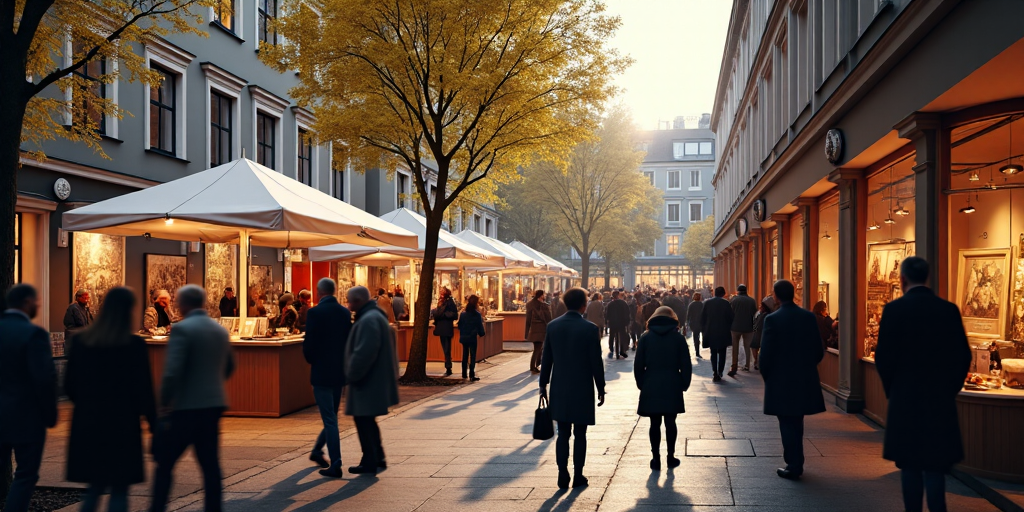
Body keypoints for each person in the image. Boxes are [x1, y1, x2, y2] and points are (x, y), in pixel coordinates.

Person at [875, 257, 971, 512]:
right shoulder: (948, 310)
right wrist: (949, 389)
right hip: (939, 401)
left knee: (910, 466)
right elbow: (963, 357)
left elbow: (883, 358)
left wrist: (893, 390)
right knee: (936, 467)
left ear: (902, 279)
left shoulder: (894, 310)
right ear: (928, 277)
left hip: (905, 400)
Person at [65, 287, 157, 512]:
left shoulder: (83, 343)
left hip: (89, 423)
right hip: (122, 425)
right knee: (119, 490)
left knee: (94, 488)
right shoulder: (133, 346)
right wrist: (154, 423)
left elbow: (70, 386)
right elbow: (143, 390)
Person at [151, 285, 235, 512]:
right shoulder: (219, 330)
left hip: (186, 406)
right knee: (210, 464)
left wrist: (164, 402)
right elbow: (228, 366)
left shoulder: (182, 329)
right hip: (213, 404)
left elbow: (172, 371)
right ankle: (213, 507)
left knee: (165, 461)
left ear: (185, 304)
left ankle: (157, 506)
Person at [759, 279, 826, 480]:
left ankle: (793, 464)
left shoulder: (772, 319)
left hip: (781, 379)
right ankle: (797, 461)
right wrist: (807, 367)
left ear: (776, 296)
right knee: (797, 420)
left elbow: (766, 354)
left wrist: (768, 375)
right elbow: (818, 349)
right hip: (803, 377)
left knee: (786, 421)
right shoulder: (808, 317)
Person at [539, 287, 606, 490]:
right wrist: (601, 387)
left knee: (563, 433)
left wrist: (543, 384)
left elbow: (546, 358)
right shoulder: (590, 329)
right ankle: (578, 474)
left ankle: (562, 473)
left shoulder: (553, 326)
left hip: (560, 386)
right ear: (584, 305)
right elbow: (596, 362)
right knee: (581, 434)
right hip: (582, 387)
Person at [0, 284, 57, 512]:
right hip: (26, 416)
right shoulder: (34, 334)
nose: (37, 305)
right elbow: (43, 378)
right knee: (25, 475)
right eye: (36, 302)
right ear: (26, 302)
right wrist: (50, 414)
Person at [344, 286, 400, 475]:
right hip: (374, 379)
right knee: (367, 419)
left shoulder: (368, 320)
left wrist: (351, 373)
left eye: (350, 301)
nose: (348, 305)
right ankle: (377, 457)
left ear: (358, 301)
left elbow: (364, 352)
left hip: (368, 380)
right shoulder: (374, 316)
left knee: (364, 420)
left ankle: (370, 460)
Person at [302, 278, 352, 478]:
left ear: (318, 292)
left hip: (322, 371)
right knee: (331, 416)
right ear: (334, 290)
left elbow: (309, 343)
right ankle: (317, 450)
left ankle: (336, 462)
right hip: (339, 372)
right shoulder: (344, 312)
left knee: (330, 419)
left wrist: (312, 360)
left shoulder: (314, 313)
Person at [634, 306, 692, 471]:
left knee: (654, 423)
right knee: (671, 422)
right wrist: (684, 383)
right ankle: (670, 456)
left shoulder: (645, 337)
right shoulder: (678, 338)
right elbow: (686, 365)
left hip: (651, 382)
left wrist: (641, 383)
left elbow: (638, 364)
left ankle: (655, 458)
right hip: (672, 383)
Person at [701, 287, 734, 382]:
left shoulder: (707, 303)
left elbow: (703, 317)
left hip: (711, 331)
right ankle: (720, 371)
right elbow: (731, 317)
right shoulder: (726, 303)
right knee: (722, 352)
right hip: (723, 331)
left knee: (713, 352)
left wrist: (704, 330)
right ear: (723, 294)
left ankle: (715, 371)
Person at [729, 284, 758, 376]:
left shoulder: (733, 300)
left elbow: (730, 312)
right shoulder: (752, 300)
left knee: (735, 347)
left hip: (735, 327)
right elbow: (754, 313)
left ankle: (734, 365)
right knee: (747, 347)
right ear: (746, 291)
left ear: (738, 291)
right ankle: (747, 365)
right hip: (748, 327)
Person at [459, 295, 487, 381]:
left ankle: (464, 373)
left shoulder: (463, 314)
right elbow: (479, 326)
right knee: (472, 355)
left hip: (464, 336)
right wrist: (481, 333)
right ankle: (472, 374)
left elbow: (459, 325)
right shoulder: (477, 315)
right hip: (472, 337)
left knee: (465, 354)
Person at [432, 288, 458, 376]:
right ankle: (448, 365)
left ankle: (448, 366)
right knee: (445, 348)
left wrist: (443, 314)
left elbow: (455, 315)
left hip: (446, 327)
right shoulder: (442, 302)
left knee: (446, 348)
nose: (440, 294)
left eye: (442, 292)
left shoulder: (449, 302)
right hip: (443, 327)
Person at [525, 290, 552, 374]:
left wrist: (526, 332)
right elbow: (548, 319)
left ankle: (537, 364)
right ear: (541, 296)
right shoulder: (544, 306)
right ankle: (533, 367)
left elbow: (528, 320)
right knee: (538, 349)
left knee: (538, 348)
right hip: (541, 330)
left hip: (533, 330)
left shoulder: (529, 304)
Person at [750, 296, 775, 371]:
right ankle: (757, 361)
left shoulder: (764, 314)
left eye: (762, 305)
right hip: (759, 332)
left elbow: (756, 322)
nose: (760, 306)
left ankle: (757, 361)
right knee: (756, 347)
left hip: (758, 332)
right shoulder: (765, 314)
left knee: (755, 346)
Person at [605, 290, 630, 359]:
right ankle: (622, 350)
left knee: (612, 336)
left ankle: (611, 347)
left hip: (613, 323)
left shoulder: (610, 304)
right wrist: (627, 321)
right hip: (622, 323)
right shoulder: (623, 303)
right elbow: (627, 312)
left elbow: (607, 314)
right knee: (622, 336)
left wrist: (607, 321)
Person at [686, 292, 704, 360]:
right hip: (701, 323)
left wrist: (687, 323)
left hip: (693, 323)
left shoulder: (691, 305)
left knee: (695, 337)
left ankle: (697, 351)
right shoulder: (702, 304)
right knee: (701, 335)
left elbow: (688, 315)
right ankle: (700, 346)